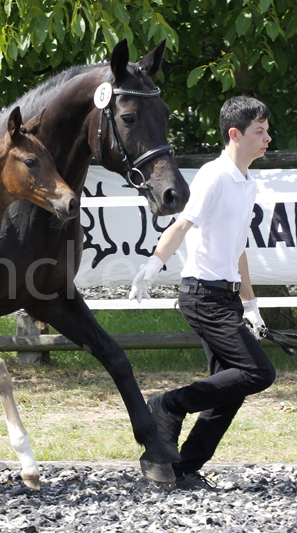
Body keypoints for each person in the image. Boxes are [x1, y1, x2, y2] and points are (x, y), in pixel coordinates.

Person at [129, 95, 276, 489]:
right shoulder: (215, 175)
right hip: (202, 295)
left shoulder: (248, 182)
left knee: (228, 389)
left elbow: (238, 246)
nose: (267, 138)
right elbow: (181, 225)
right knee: (258, 372)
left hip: (225, 297)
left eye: (266, 130)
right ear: (235, 134)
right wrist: (154, 264)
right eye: (259, 131)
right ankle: (168, 405)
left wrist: (250, 303)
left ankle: (184, 467)